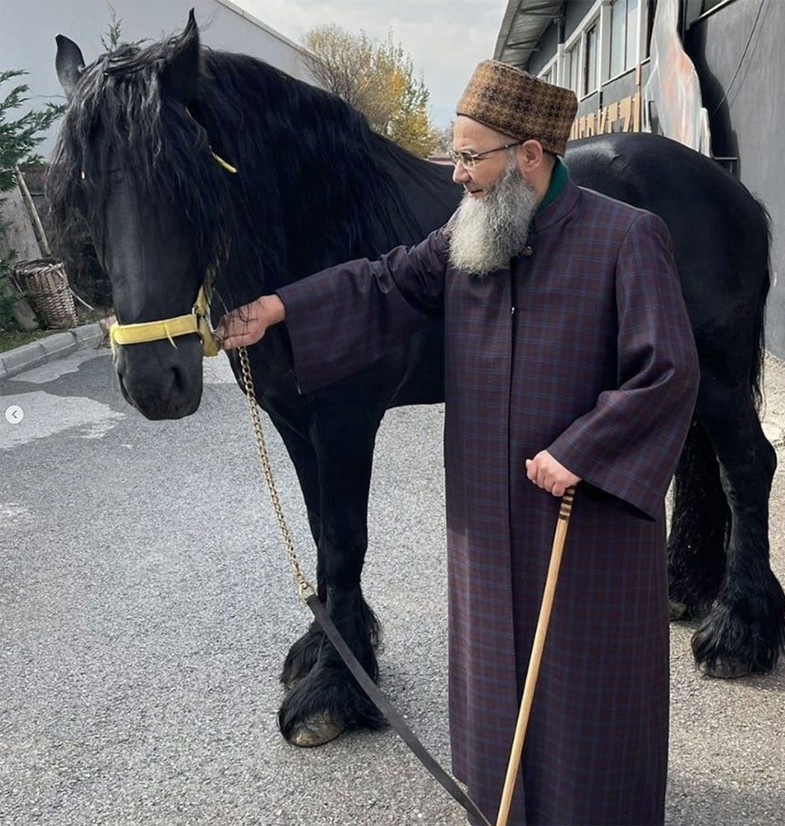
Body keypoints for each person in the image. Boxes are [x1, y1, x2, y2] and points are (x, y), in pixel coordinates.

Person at [216, 60, 699, 826]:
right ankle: (500, 801)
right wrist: (279, 308)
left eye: (472, 156)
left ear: (530, 154)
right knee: (493, 680)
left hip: (581, 515)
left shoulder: (627, 237)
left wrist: (587, 449)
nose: (458, 174)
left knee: (584, 686)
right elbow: (384, 283)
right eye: (456, 154)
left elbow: (666, 370)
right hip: (486, 511)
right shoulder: (465, 235)